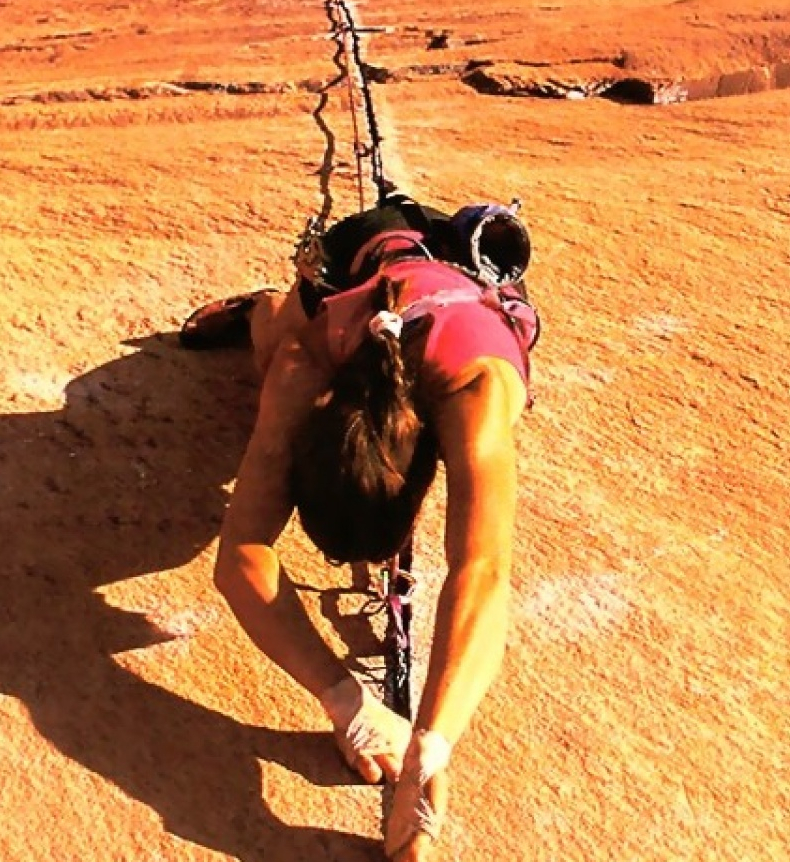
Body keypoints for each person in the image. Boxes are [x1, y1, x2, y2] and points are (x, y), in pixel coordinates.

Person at [186, 197, 537, 860]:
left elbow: (483, 572)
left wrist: (432, 745)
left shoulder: (477, 390)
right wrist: (343, 699)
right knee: (271, 345)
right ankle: (261, 305)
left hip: (447, 268)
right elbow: (239, 560)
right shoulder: (304, 364)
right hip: (365, 255)